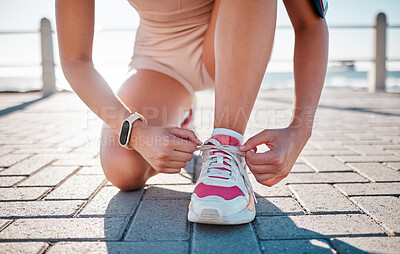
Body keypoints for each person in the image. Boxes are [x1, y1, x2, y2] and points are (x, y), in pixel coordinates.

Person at [56, 0, 328, 225]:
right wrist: (138, 134)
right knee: (123, 168)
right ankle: (183, 112)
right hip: (161, 59)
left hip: (238, 40)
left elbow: (309, 23)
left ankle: (226, 143)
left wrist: (300, 129)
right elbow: (75, 60)